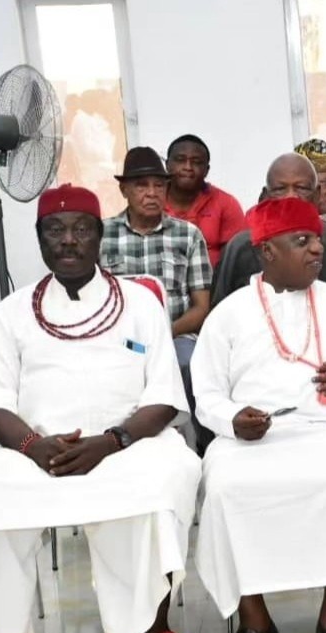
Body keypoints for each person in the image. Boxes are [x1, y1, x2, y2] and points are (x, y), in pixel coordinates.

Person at [0, 185, 206, 633]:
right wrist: (35, 446)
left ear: (99, 236)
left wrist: (110, 442)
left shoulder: (139, 304)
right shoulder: (15, 311)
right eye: (55, 231)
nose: (68, 241)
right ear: (39, 239)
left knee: (162, 481)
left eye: (81, 230)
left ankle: (152, 630)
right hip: (37, 451)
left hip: (128, 443)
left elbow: (163, 399)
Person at [192, 197, 326, 633]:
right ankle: (255, 623)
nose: (317, 250)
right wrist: (233, 418)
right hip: (250, 438)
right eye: (302, 241)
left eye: (317, 239)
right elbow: (206, 393)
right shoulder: (229, 313)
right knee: (223, 488)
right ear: (266, 252)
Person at [101, 146, 213, 452]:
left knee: (190, 364)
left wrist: (164, 333)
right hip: (115, 338)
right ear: (124, 189)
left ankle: (202, 446)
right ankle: (112, 441)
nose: (152, 193)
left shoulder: (188, 236)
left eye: (159, 185)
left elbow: (201, 307)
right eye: (141, 185)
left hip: (176, 334)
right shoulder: (101, 235)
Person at [211, 154, 326, 313]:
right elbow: (219, 318)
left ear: (317, 194)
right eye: (280, 189)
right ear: (266, 195)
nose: (291, 197)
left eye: (302, 188)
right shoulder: (241, 247)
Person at [164, 134, 247, 268]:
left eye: (196, 162)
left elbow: (236, 258)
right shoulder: (153, 201)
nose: (188, 167)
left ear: (207, 170)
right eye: (180, 160)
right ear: (167, 165)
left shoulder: (226, 203)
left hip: (214, 285)